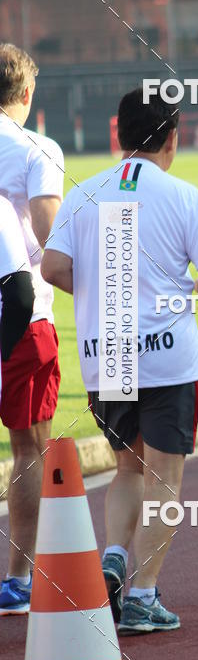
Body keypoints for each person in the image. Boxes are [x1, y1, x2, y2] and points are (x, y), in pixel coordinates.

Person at [42, 89, 198, 634]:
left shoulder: (84, 193)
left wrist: (99, 297)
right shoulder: (185, 196)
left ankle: (115, 556)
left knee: (126, 467)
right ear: (174, 137)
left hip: (109, 353)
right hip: (170, 359)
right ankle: (142, 596)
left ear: (118, 135)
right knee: (165, 475)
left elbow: (51, 266)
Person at [0, 43, 63, 615]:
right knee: (29, 449)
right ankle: (17, 578)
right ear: (26, 94)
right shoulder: (36, 149)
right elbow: (52, 243)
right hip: (20, 313)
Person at [0, 197, 35, 614]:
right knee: (29, 450)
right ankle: (19, 580)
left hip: (20, 334)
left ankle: (19, 580)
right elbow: (22, 293)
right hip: (24, 332)